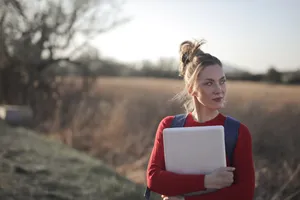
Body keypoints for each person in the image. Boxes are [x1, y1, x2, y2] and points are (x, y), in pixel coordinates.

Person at [146, 39, 255, 200]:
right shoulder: (169, 126)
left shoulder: (238, 132)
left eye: (222, 81)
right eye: (209, 83)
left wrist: (185, 198)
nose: (219, 90)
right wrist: (207, 181)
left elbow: (244, 193)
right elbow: (154, 180)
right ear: (191, 89)